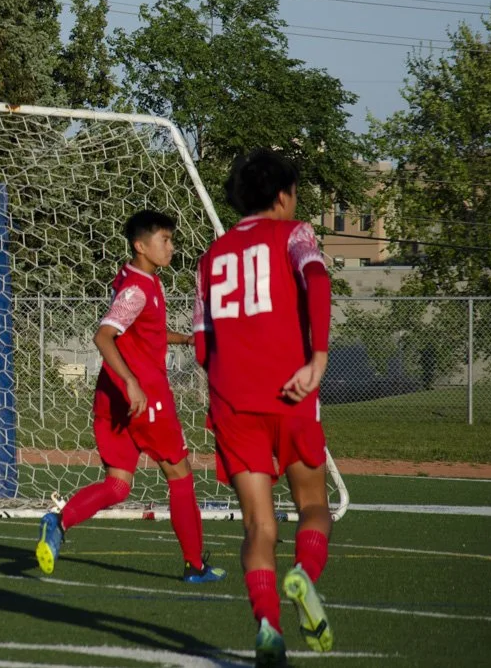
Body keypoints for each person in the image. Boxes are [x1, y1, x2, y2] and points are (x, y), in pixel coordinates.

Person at [193, 150, 335, 668]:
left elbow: (202, 343)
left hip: (233, 402)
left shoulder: (211, 257)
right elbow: (317, 280)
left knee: (258, 526)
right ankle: (304, 574)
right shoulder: (295, 233)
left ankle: (268, 625)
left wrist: (231, 379)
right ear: (283, 196)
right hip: (291, 394)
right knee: (314, 508)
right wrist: (317, 358)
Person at [35, 210, 225, 583]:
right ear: (141, 246)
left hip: (111, 397)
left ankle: (58, 522)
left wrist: (185, 339)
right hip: (144, 398)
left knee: (119, 485)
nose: (171, 247)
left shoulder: (134, 278)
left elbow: (140, 333)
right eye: (164, 240)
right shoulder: (137, 289)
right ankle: (195, 565)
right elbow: (104, 335)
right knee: (180, 475)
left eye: (171, 239)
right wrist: (133, 382)